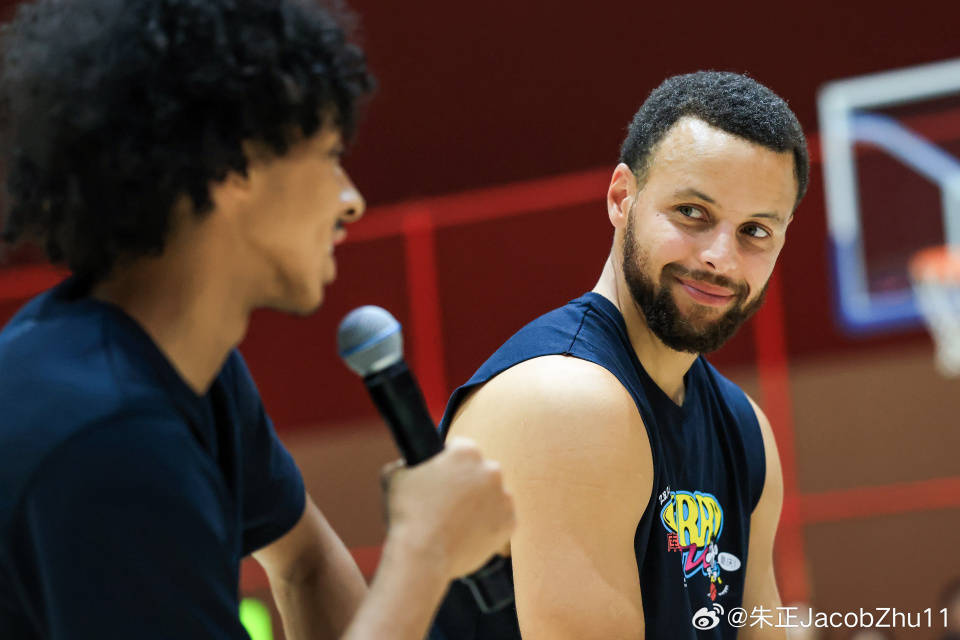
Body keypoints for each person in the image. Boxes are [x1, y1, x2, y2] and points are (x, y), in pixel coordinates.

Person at [0, 1, 514, 639]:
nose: (350, 200)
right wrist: (423, 555)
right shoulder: (106, 439)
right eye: (329, 155)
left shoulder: (183, 364)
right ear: (233, 167)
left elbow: (305, 562)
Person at [429, 71, 809, 639]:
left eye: (755, 230)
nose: (720, 258)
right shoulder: (567, 401)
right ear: (621, 198)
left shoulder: (744, 427)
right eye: (692, 213)